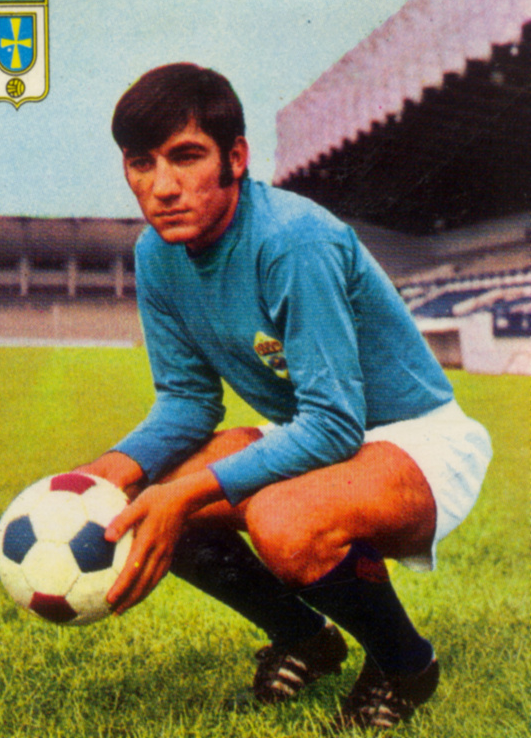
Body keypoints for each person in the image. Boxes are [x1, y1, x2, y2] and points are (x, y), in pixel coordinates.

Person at [76, 63, 492, 732]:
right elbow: (186, 401)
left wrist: (181, 495)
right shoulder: (156, 254)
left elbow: (334, 424)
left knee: (278, 518)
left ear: (235, 158)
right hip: (315, 430)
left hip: (415, 438)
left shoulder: (293, 240)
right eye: (141, 163)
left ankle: (405, 665)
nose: (163, 186)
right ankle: (304, 638)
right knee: (146, 494)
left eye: (186, 156)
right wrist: (103, 474)